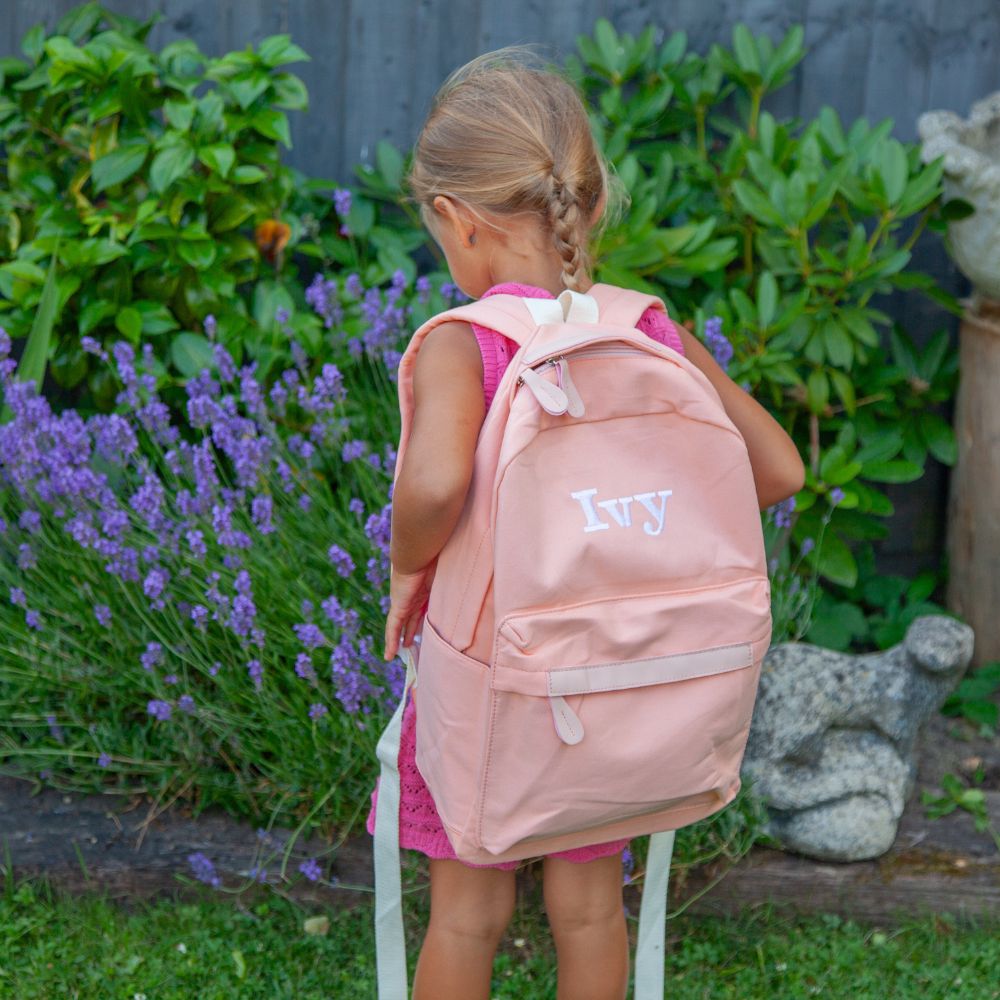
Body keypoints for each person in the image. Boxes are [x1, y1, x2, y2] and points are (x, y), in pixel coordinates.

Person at [368, 49, 805, 1000]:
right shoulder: (645, 330)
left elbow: (434, 486)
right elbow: (778, 469)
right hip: (613, 687)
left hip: (492, 682)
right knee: (592, 913)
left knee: (467, 916)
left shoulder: (466, 344)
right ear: (592, 202)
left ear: (457, 218)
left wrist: (407, 567)